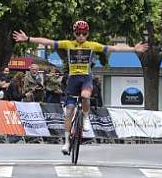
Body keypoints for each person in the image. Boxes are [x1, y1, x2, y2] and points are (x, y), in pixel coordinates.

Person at [13, 20, 148, 155]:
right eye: (78, 34)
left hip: (86, 78)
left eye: (84, 34)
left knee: (85, 96)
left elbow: (112, 48)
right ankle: (66, 142)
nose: (81, 36)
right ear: (74, 34)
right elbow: (48, 42)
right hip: (73, 79)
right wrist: (28, 39)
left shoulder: (92, 45)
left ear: (87, 34)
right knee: (69, 111)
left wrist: (133, 49)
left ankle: (85, 117)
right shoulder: (68, 44)